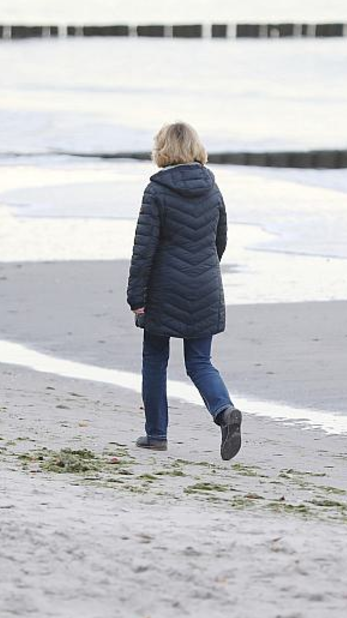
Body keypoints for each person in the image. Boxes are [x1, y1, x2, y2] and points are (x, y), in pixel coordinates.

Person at [127, 121, 242, 461]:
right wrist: (204, 270)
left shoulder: (156, 191)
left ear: (162, 149)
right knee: (200, 362)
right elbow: (219, 240)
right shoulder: (212, 187)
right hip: (205, 285)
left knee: (154, 360)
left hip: (163, 289)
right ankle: (224, 413)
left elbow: (143, 249)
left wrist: (137, 297)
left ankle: (156, 435)